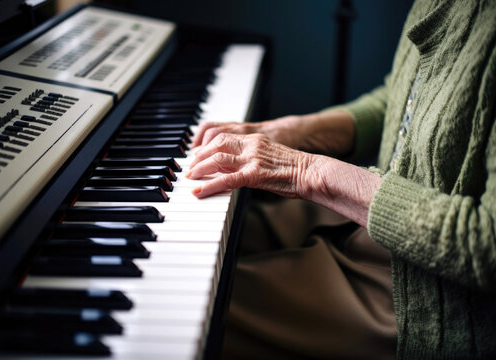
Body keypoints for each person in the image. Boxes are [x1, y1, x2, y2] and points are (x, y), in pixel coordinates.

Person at [186, 0, 496, 358]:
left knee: (186, 300)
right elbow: (398, 95)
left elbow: (485, 243)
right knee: (206, 229)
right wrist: (296, 130)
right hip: (366, 218)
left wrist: (307, 171)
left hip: (429, 298)